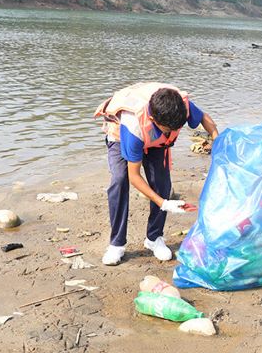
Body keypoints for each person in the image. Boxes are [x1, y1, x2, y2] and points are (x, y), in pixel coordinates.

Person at [94, 83, 220, 266]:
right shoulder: (133, 127)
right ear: (153, 118)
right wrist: (164, 203)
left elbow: (204, 118)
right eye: (167, 129)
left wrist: (217, 139)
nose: (170, 132)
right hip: (121, 137)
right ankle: (116, 244)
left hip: (156, 143)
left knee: (162, 183)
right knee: (120, 181)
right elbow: (134, 176)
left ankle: (154, 238)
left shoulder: (179, 106)